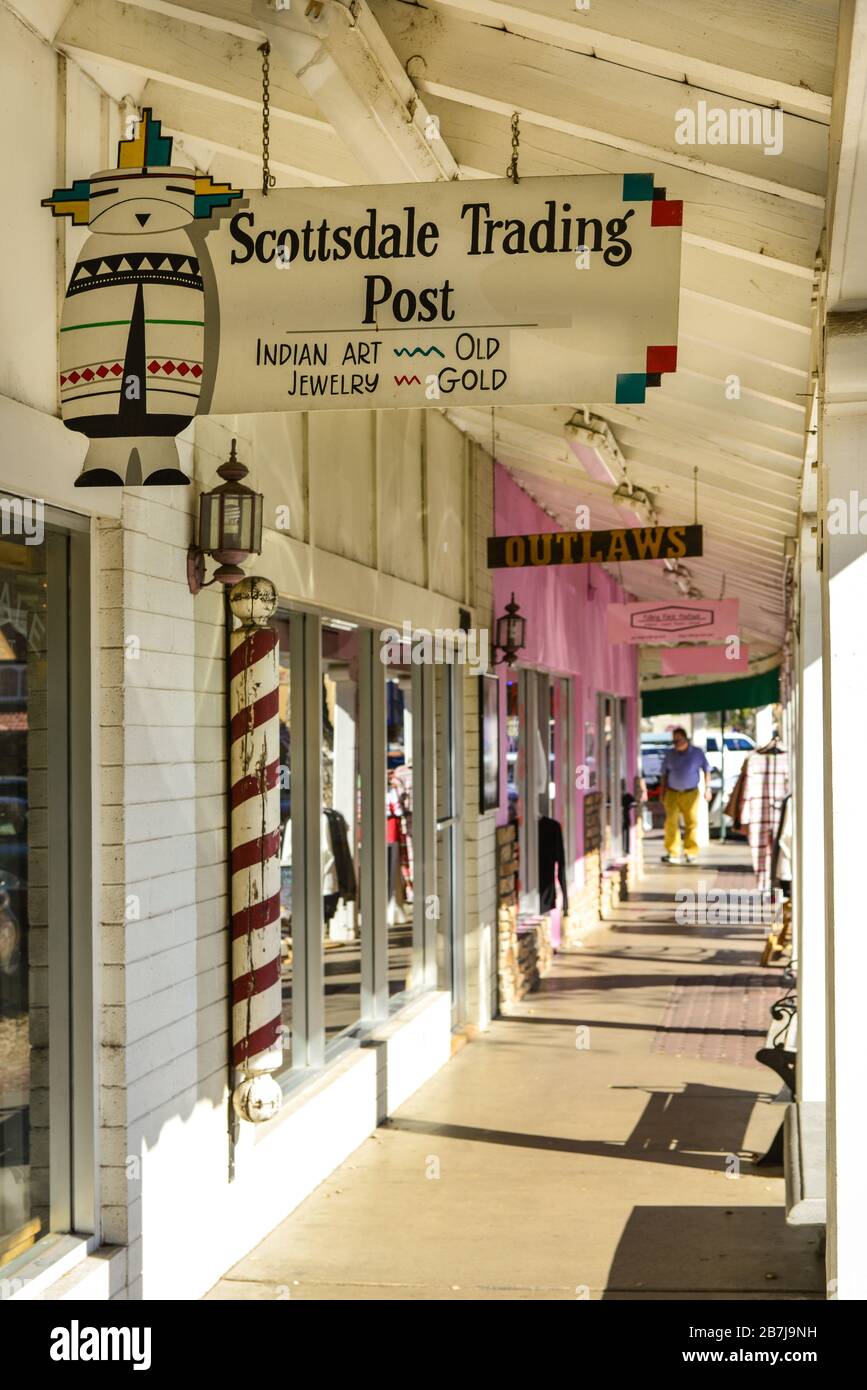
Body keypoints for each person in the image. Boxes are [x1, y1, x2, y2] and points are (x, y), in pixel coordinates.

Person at [659, 726, 712, 865]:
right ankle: (673, 852)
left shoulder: (697, 753)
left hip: (690, 793)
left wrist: (708, 788)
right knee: (671, 823)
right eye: (674, 741)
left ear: (685, 739)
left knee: (691, 823)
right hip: (672, 792)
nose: (676, 744)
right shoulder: (670, 754)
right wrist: (662, 792)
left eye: (679, 740)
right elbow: (664, 774)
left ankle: (691, 851)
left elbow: (707, 770)